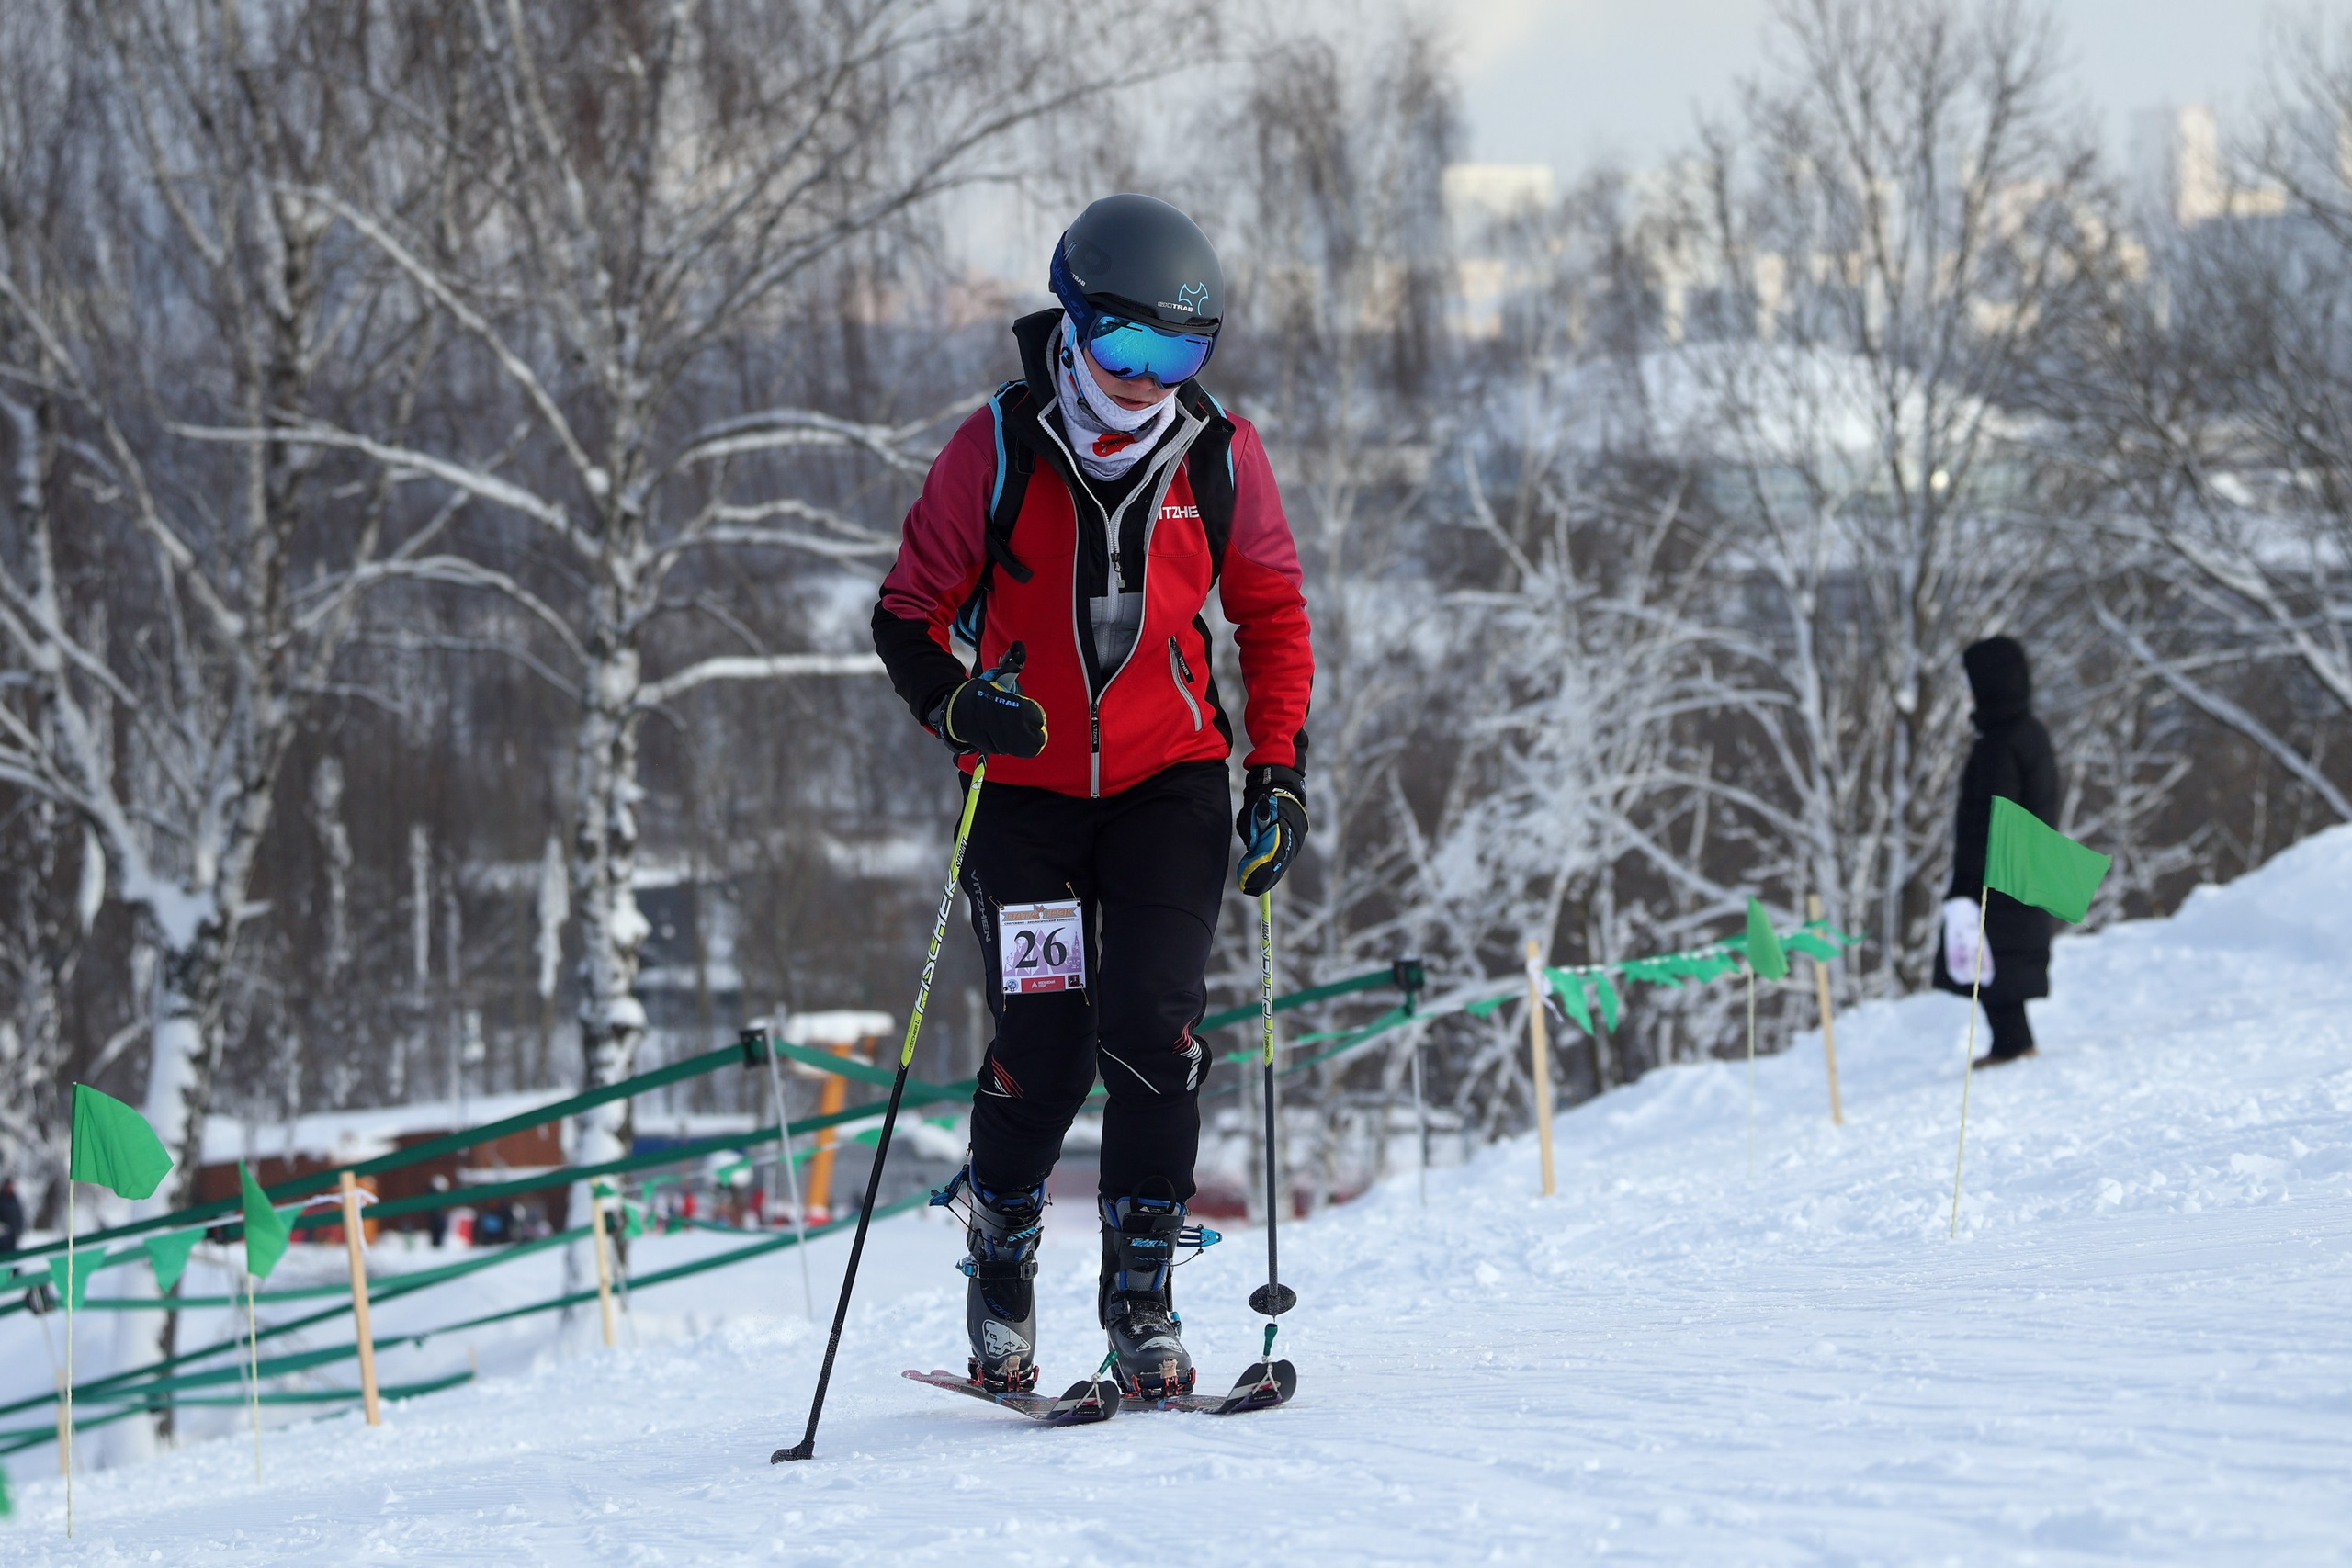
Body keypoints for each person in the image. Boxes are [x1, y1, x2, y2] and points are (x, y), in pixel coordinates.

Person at [873, 194, 1313, 1399]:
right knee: (1047, 1045)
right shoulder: (1001, 446)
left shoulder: (1218, 454)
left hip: (1171, 785)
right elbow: (907, 615)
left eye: (1178, 356)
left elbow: (1269, 615)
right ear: (1073, 325)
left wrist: (1278, 770)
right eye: (1124, 349)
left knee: (1157, 1036)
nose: (1143, 380)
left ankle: (1141, 1306)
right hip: (1021, 794)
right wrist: (958, 705)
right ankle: (1004, 1262)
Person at [1934, 636, 2061, 1067]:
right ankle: (2012, 1041)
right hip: (2024, 867)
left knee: (1989, 959)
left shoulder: (2000, 743)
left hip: (1997, 874)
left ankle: (2012, 1045)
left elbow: (1990, 818)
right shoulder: (2027, 732)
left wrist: (1968, 882)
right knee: (1998, 960)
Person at [0, 1174, 23, 1257]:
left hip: (13, 1235)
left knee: (13, 1255)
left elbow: (19, 1216)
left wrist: (20, 1229)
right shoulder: (2, 1199)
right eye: (8, 1186)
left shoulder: (15, 1200)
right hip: (2, 1237)